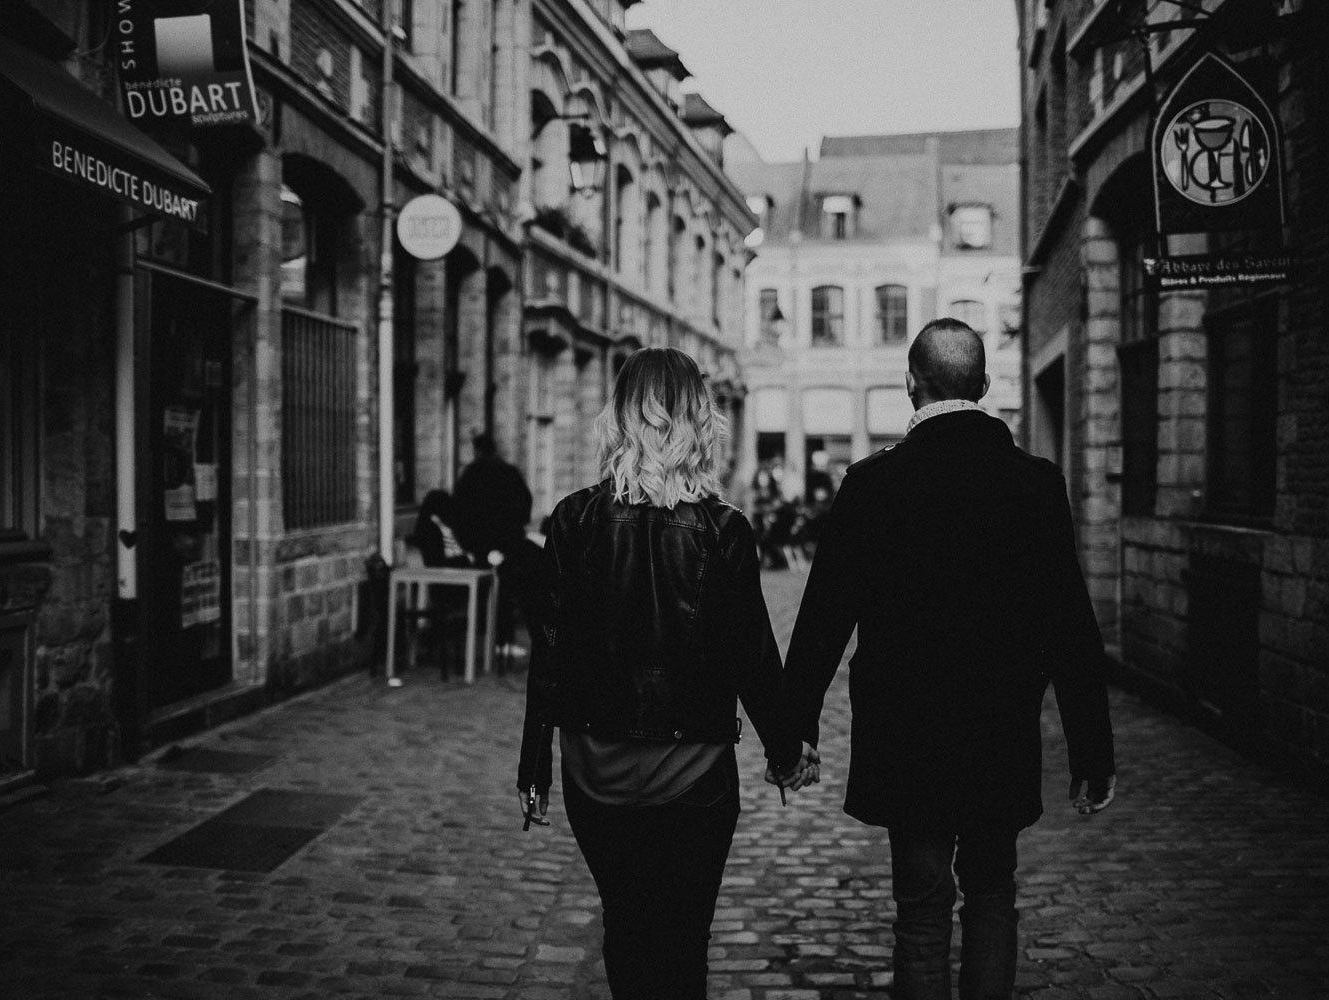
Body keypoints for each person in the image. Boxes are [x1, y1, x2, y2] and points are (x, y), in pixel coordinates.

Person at [778, 318, 1117, 1000]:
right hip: (999, 732)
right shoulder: (1035, 485)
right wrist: (1092, 751)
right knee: (993, 895)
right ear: (985, 387)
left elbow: (823, 619)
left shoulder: (873, 485)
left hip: (909, 737)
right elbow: (1071, 627)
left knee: (922, 909)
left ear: (910, 385)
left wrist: (794, 732)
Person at [516, 347, 817, 999]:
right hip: (692, 779)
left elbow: (550, 656)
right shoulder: (722, 528)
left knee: (626, 930)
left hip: (595, 776)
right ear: (697, 421)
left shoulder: (571, 519)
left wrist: (533, 768)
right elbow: (754, 656)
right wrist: (788, 750)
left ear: (621, 419)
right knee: (682, 942)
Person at [452, 432, 543, 652]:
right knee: (511, 589)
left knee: (492, 590)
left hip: (482, 543)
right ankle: (506, 641)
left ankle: (493, 639)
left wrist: (469, 544)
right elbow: (525, 503)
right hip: (510, 540)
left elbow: (460, 512)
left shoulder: (470, 474)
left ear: (476, 450)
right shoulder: (509, 472)